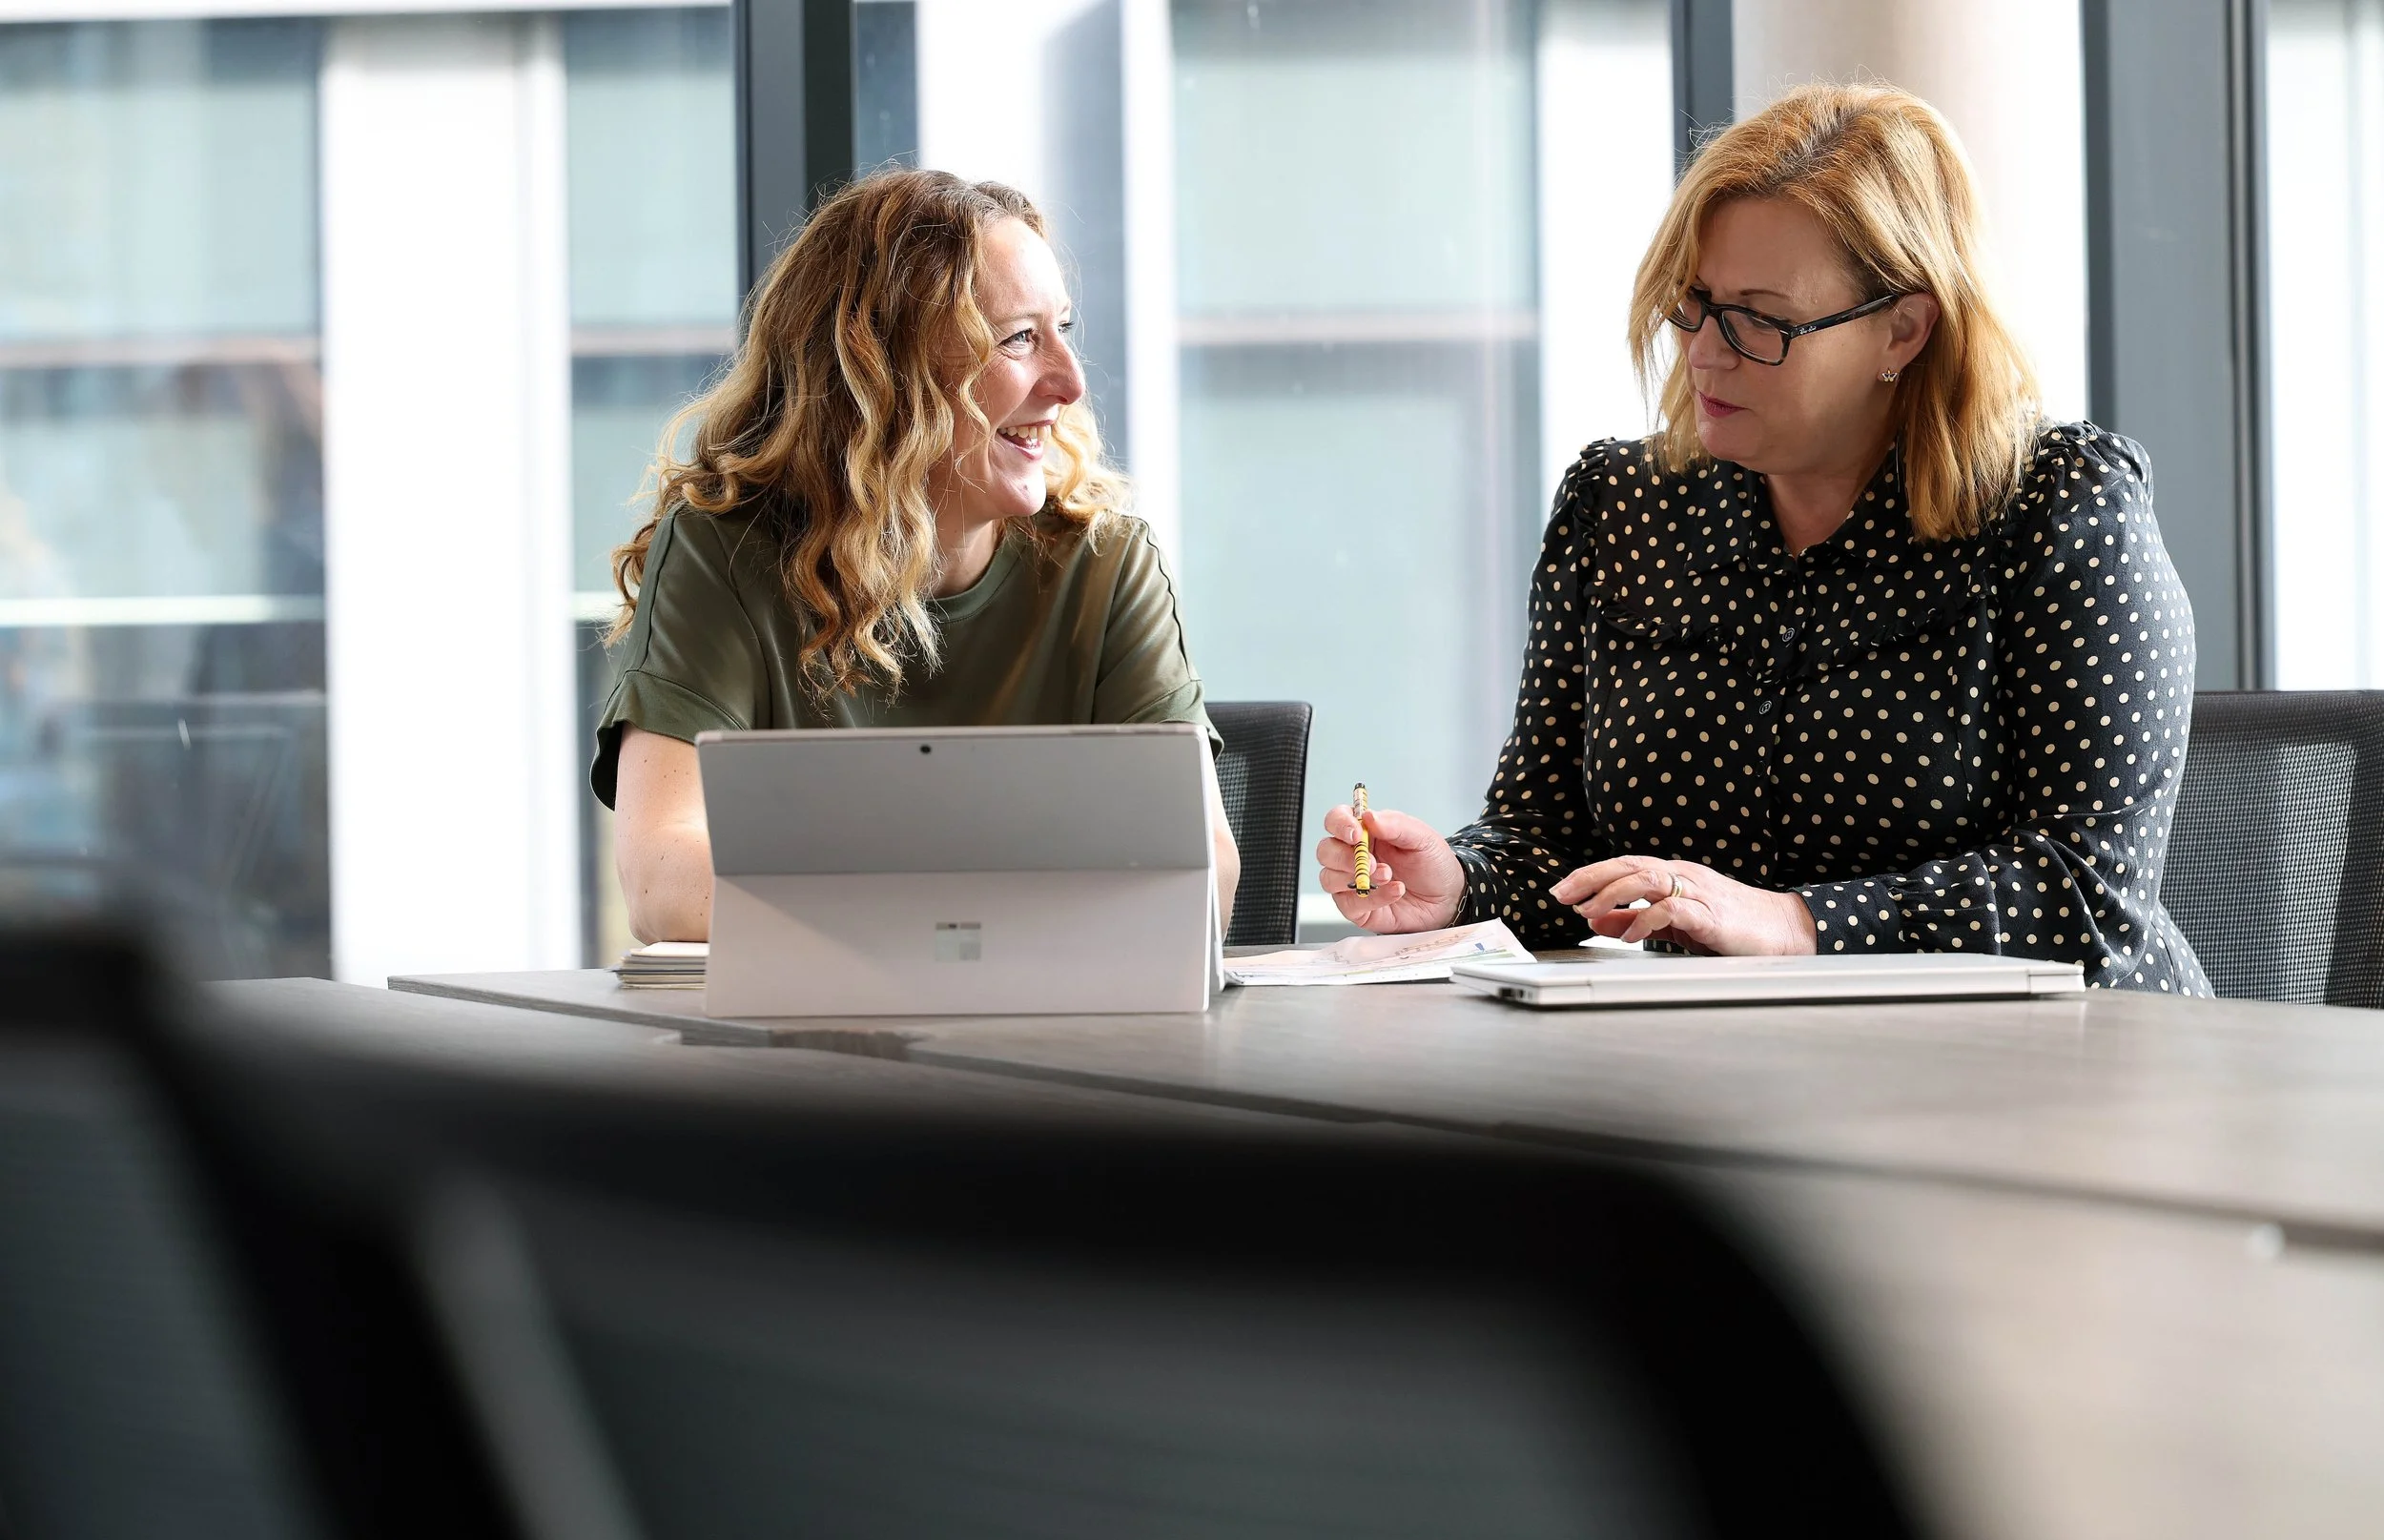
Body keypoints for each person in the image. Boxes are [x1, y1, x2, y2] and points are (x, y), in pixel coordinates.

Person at [1317, 83, 2209, 995]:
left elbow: (2086, 897)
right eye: (1694, 303)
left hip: (2056, 1080)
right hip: (1734, 1068)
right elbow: (1554, 835)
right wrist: (1461, 884)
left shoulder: (2058, 509)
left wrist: (1795, 921)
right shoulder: (1620, 510)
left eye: (1758, 318)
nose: (1705, 350)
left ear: (1903, 326)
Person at [596, 169, 1238, 944]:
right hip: (805, 1054)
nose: (1070, 382)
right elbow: (663, 882)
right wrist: (968, 919)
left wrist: (912, 915)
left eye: (1064, 328)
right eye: (1019, 339)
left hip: (1059, 1043)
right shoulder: (722, 557)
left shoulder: (1108, 563)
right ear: (885, 378)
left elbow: (1202, 876)